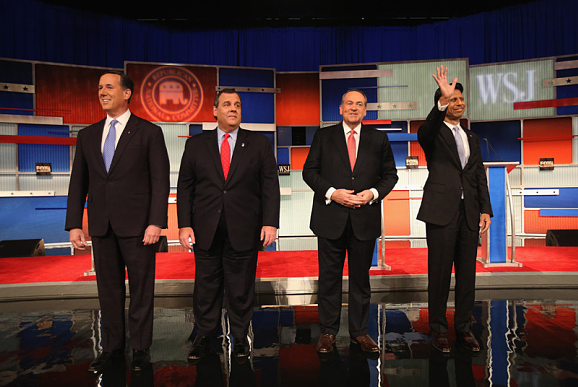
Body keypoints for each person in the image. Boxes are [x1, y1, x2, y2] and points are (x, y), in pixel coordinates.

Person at [65, 71, 170, 372]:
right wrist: (74, 223)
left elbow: (160, 181)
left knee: (140, 290)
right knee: (108, 292)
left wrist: (156, 222)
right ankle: (112, 348)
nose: (102, 92)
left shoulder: (149, 132)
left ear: (127, 93)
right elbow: (78, 183)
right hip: (101, 227)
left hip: (139, 228)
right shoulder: (87, 135)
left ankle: (140, 350)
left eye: (109, 87)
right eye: (99, 87)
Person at [177, 88, 280, 361]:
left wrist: (270, 222)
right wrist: (184, 224)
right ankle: (204, 335)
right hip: (205, 229)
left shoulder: (258, 143)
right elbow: (185, 187)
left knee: (241, 287)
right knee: (206, 287)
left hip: (244, 228)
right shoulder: (196, 145)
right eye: (226, 104)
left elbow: (270, 185)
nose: (232, 109)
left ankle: (240, 335)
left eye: (237, 105)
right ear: (215, 110)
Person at [302, 89, 398, 354]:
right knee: (329, 279)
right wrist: (333, 193)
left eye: (360, 104)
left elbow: (390, 175)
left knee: (360, 280)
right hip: (330, 218)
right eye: (349, 103)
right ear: (340, 109)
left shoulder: (378, 139)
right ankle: (328, 332)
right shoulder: (324, 136)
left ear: (366, 110)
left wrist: (373, 194)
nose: (354, 108)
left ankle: (359, 332)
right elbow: (309, 171)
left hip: (364, 219)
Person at [417, 66, 493, 354]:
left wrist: (485, 209)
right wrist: (440, 102)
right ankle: (438, 330)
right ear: (444, 103)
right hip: (440, 211)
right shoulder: (433, 134)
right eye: (454, 99)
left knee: (466, 274)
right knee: (438, 274)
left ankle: (463, 328)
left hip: (469, 213)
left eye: (461, 100)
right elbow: (426, 129)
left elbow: (478, 175)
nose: (459, 103)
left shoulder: (472, 137)